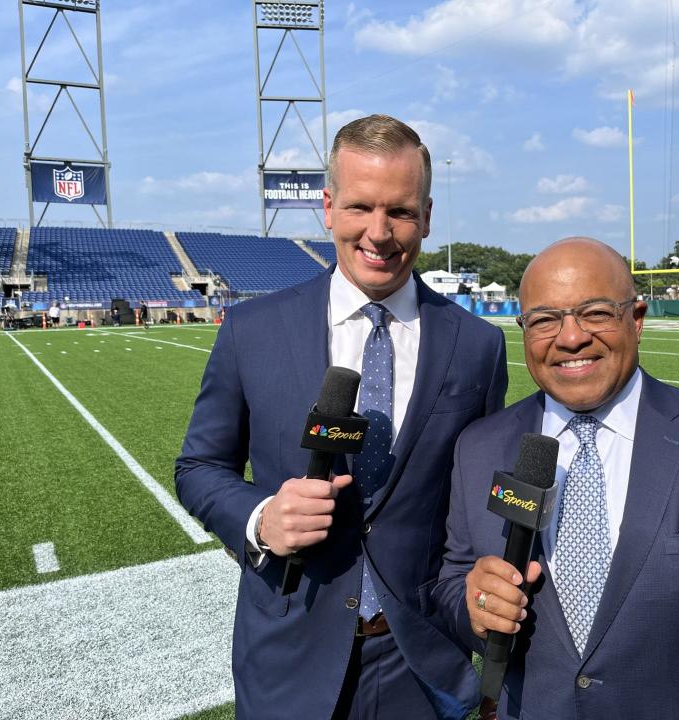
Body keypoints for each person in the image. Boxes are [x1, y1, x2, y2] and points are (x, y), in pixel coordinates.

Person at [175, 114, 507, 720]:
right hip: (288, 656)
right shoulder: (253, 330)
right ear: (328, 207)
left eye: (401, 212)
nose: (379, 233)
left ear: (427, 216)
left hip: (423, 661)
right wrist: (259, 517)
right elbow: (199, 467)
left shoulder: (478, 345)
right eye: (359, 207)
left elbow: (478, 499)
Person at [433, 237, 679, 719]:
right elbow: (453, 583)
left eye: (596, 312)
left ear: (637, 319)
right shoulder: (479, 446)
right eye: (544, 320)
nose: (570, 338)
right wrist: (473, 606)